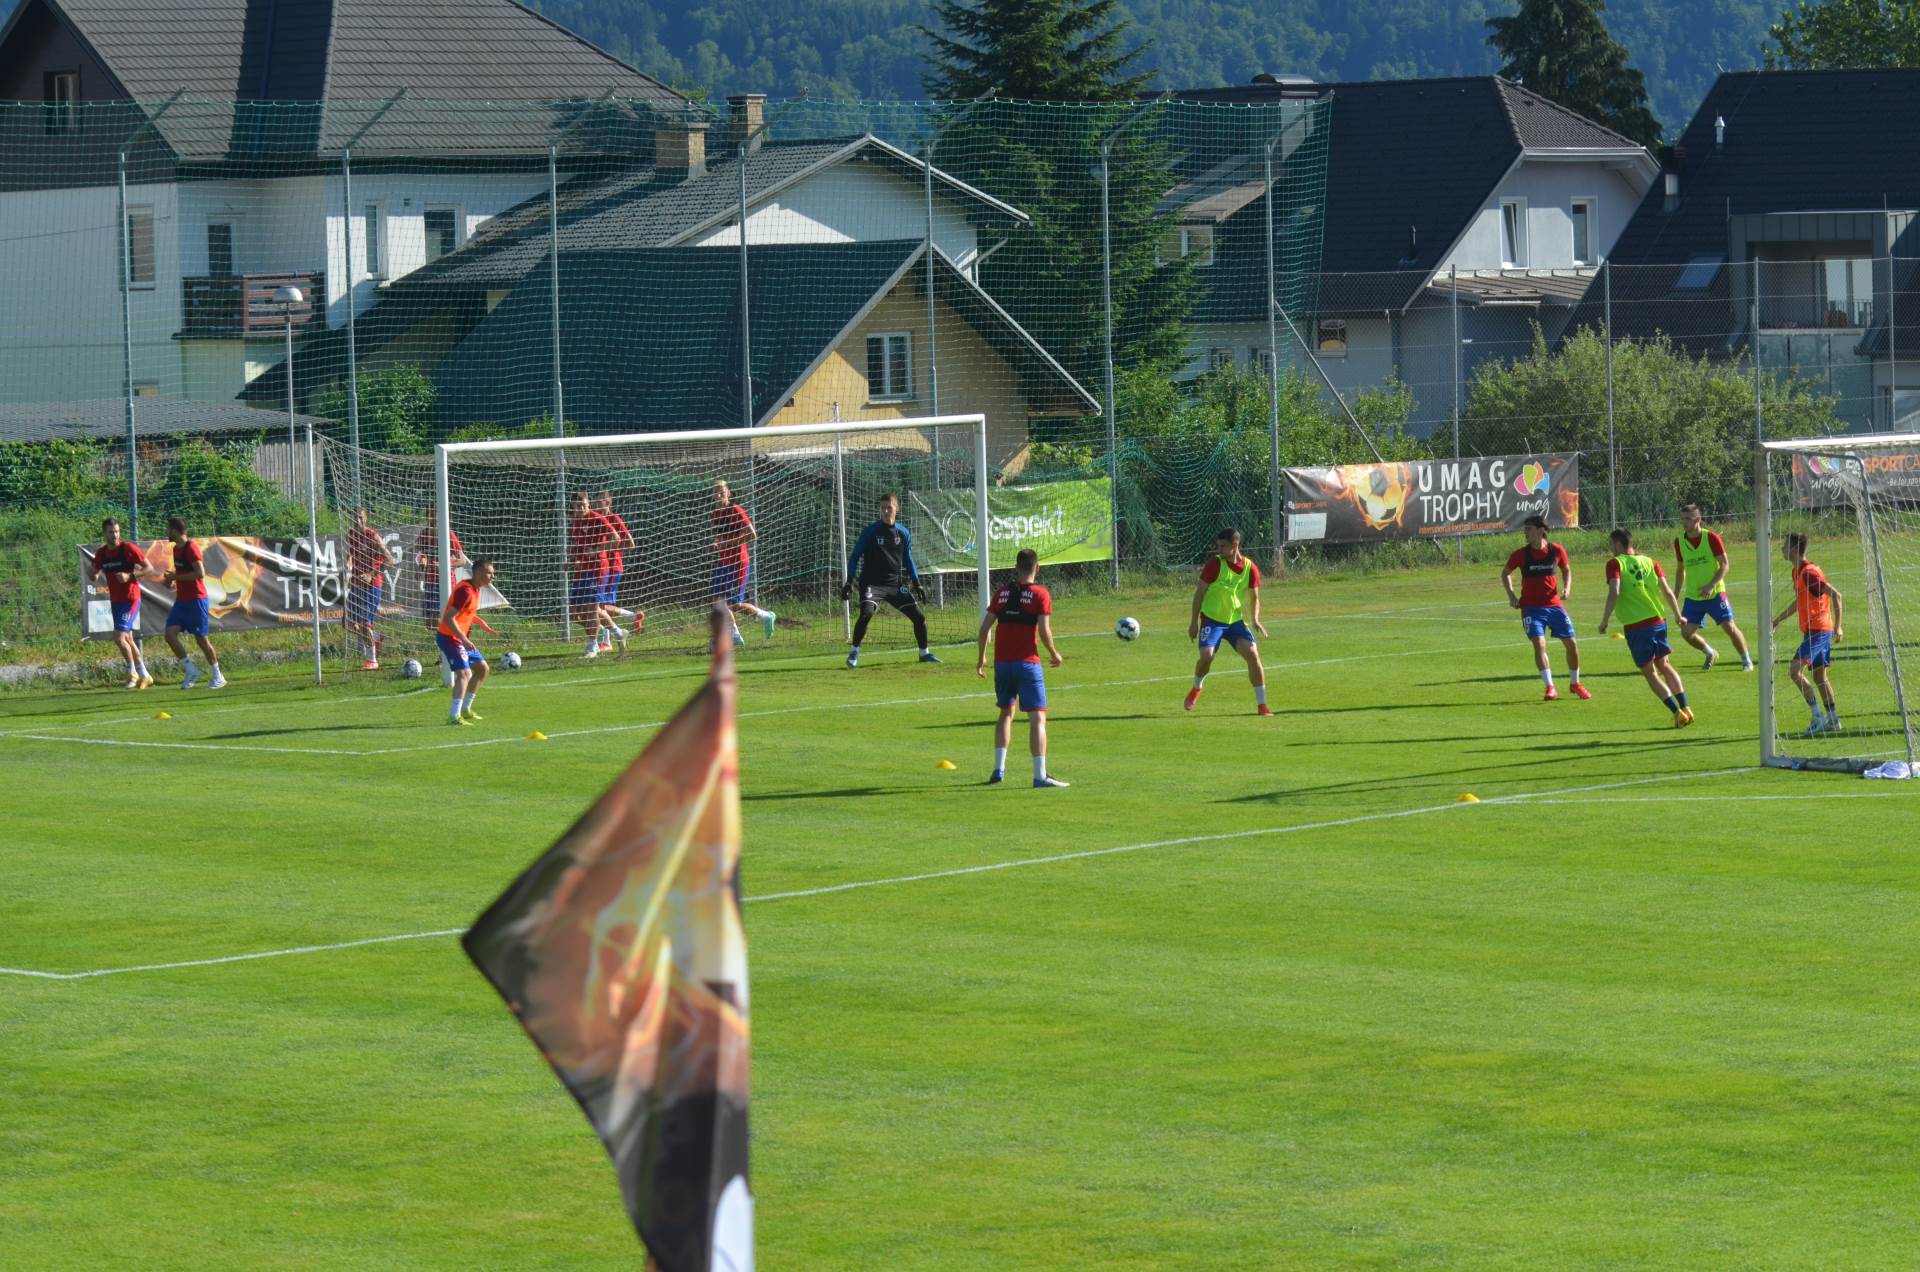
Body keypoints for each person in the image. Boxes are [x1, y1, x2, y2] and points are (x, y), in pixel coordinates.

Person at [976, 547, 1068, 788]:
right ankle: (1040, 776)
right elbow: (1044, 630)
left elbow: (984, 629)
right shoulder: (1040, 594)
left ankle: (998, 770)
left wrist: (981, 658)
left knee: (1005, 713)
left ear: (1016, 568)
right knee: (1038, 717)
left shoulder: (1002, 594)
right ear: (1037, 568)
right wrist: (1055, 653)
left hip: (1002, 665)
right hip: (1028, 664)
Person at [1597, 528, 1692, 727]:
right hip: (1659, 621)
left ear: (1617, 544)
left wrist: (1605, 619)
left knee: (1650, 673)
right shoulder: (1651, 562)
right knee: (1665, 665)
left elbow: (1614, 591)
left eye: (1610, 544)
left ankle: (1677, 713)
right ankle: (1686, 708)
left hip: (1637, 626)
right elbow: (1666, 591)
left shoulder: (1615, 563)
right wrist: (1677, 615)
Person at [842, 492, 938, 667]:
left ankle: (924, 653)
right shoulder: (870, 532)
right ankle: (854, 653)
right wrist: (849, 581)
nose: (886, 511)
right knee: (866, 614)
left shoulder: (903, 533)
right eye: (883, 508)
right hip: (872, 584)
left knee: (919, 617)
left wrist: (917, 584)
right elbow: (855, 556)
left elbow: (908, 559)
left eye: (889, 507)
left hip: (894, 585)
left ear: (897, 509)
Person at [1501, 514, 1590, 701]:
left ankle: (1575, 684)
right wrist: (1512, 596)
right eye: (1525, 529)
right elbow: (1505, 573)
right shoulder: (1521, 554)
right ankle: (1550, 687)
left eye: (1529, 529)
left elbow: (1566, 569)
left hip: (1554, 606)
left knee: (1572, 644)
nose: (1525, 533)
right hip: (1531, 608)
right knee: (1539, 644)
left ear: (1541, 531)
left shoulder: (1556, 550)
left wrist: (1567, 588)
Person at [1185, 527, 1271, 716]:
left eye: (1223, 546)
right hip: (1212, 620)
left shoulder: (1250, 568)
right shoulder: (1214, 565)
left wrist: (1255, 619)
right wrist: (1193, 623)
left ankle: (1262, 706)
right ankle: (1197, 688)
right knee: (1207, 657)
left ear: (1235, 545)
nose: (1219, 550)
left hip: (1235, 623)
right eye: (1218, 546)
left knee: (1253, 655)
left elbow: (1255, 597)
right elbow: (1199, 593)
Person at [1771, 531, 1845, 735]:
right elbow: (1800, 602)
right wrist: (1777, 620)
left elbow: (1836, 595)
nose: (1781, 549)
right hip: (1815, 630)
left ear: (1794, 549)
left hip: (1819, 630)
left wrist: (1839, 626)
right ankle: (1833, 720)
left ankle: (1817, 717)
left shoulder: (1810, 574)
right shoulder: (1797, 572)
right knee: (1820, 676)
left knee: (1795, 671)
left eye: (1784, 546)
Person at [1672, 503, 1754, 672]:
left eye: (1688, 519)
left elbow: (1725, 565)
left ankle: (1746, 661)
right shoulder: (1679, 541)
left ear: (1698, 519)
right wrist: (1676, 593)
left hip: (1715, 593)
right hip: (1694, 596)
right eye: (1683, 519)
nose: (1684, 522)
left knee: (1729, 627)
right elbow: (1680, 570)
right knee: (1686, 633)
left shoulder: (1711, 538)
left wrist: (1711, 585)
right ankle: (1710, 653)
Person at [160, 515, 225, 690]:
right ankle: (191, 670)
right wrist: (171, 580)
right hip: (182, 601)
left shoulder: (191, 549)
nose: (167, 532)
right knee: (169, 634)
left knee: (201, 640)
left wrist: (176, 576)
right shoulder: (176, 549)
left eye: (168, 529)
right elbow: (182, 573)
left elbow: (200, 573)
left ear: (174, 530)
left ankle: (218, 675)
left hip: (197, 600)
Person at [89, 516, 151, 689]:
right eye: (110, 532)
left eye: (116, 531)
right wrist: (92, 573)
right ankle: (145, 675)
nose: (114, 535)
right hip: (116, 601)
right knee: (128, 639)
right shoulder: (102, 553)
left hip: (131, 598)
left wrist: (129, 576)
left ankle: (132, 673)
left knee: (118, 637)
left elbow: (149, 568)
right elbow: (93, 574)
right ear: (104, 533)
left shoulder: (128, 548)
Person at [711, 480, 776, 646]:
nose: (718, 494)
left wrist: (726, 544)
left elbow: (752, 535)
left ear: (729, 493)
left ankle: (765, 616)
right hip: (723, 562)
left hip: (738, 563)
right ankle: (735, 636)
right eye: (715, 491)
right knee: (718, 602)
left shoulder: (736, 510)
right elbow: (720, 537)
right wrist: (715, 545)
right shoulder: (714, 514)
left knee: (734, 604)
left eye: (721, 491)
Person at [436, 557, 496, 726]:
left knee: (482, 669)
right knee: (464, 674)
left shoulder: (475, 589)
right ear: (478, 573)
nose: (492, 576)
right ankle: (454, 716)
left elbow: (465, 613)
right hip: (450, 638)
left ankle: (466, 710)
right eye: (489, 573)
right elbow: (448, 618)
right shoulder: (466, 591)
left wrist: (480, 622)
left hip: (459, 638)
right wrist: (464, 639)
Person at [413, 516, 469, 687]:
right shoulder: (424, 535)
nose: (433, 520)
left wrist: (445, 565)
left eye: (436, 517)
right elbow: (419, 555)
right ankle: (450, 649)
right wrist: (421, 563)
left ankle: (449, 654)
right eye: (430, 516)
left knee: (445, 620)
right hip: (430, 582)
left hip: (446, 583)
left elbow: (462, 560)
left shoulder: (448, 534)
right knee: (429, 622)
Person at [568, 491, 618, 660]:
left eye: (583, 505)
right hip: (581, 570)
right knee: (575, 614)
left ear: (589, 504)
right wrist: (572, 560)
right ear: (573, 508)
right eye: (577, 506)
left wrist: (596, 550)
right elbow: (577, 546)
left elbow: (616, 539)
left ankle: (592, 646)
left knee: (591, 610)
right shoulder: (575, 523)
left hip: (597, 569)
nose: (581, 508)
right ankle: (614, 632)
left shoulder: (598, 519)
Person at [345, 507, 389, 670]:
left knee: (364, 624)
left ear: (366, 518)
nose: (358, 521)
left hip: (372, 585)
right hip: (356, 584)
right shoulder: (351, 535)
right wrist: (348, 563)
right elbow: (351, 553)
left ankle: (372, 661)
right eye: (355, 518)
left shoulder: (373, 536)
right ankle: (376, 637)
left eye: (361, 518)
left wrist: (371, 573)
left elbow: (389, 559)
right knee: (348, 623)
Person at [594, 492, 635, 655]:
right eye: (595, 503)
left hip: (613, 567)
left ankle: (606, 641)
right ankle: (632, 616)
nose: (597, 506)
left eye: (600, 502)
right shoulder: (596, 519)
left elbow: (630, 544)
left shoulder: (615, 519)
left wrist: (611, 548)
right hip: (602, 568)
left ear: (608, 502)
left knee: (600, 606)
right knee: (599, 605)